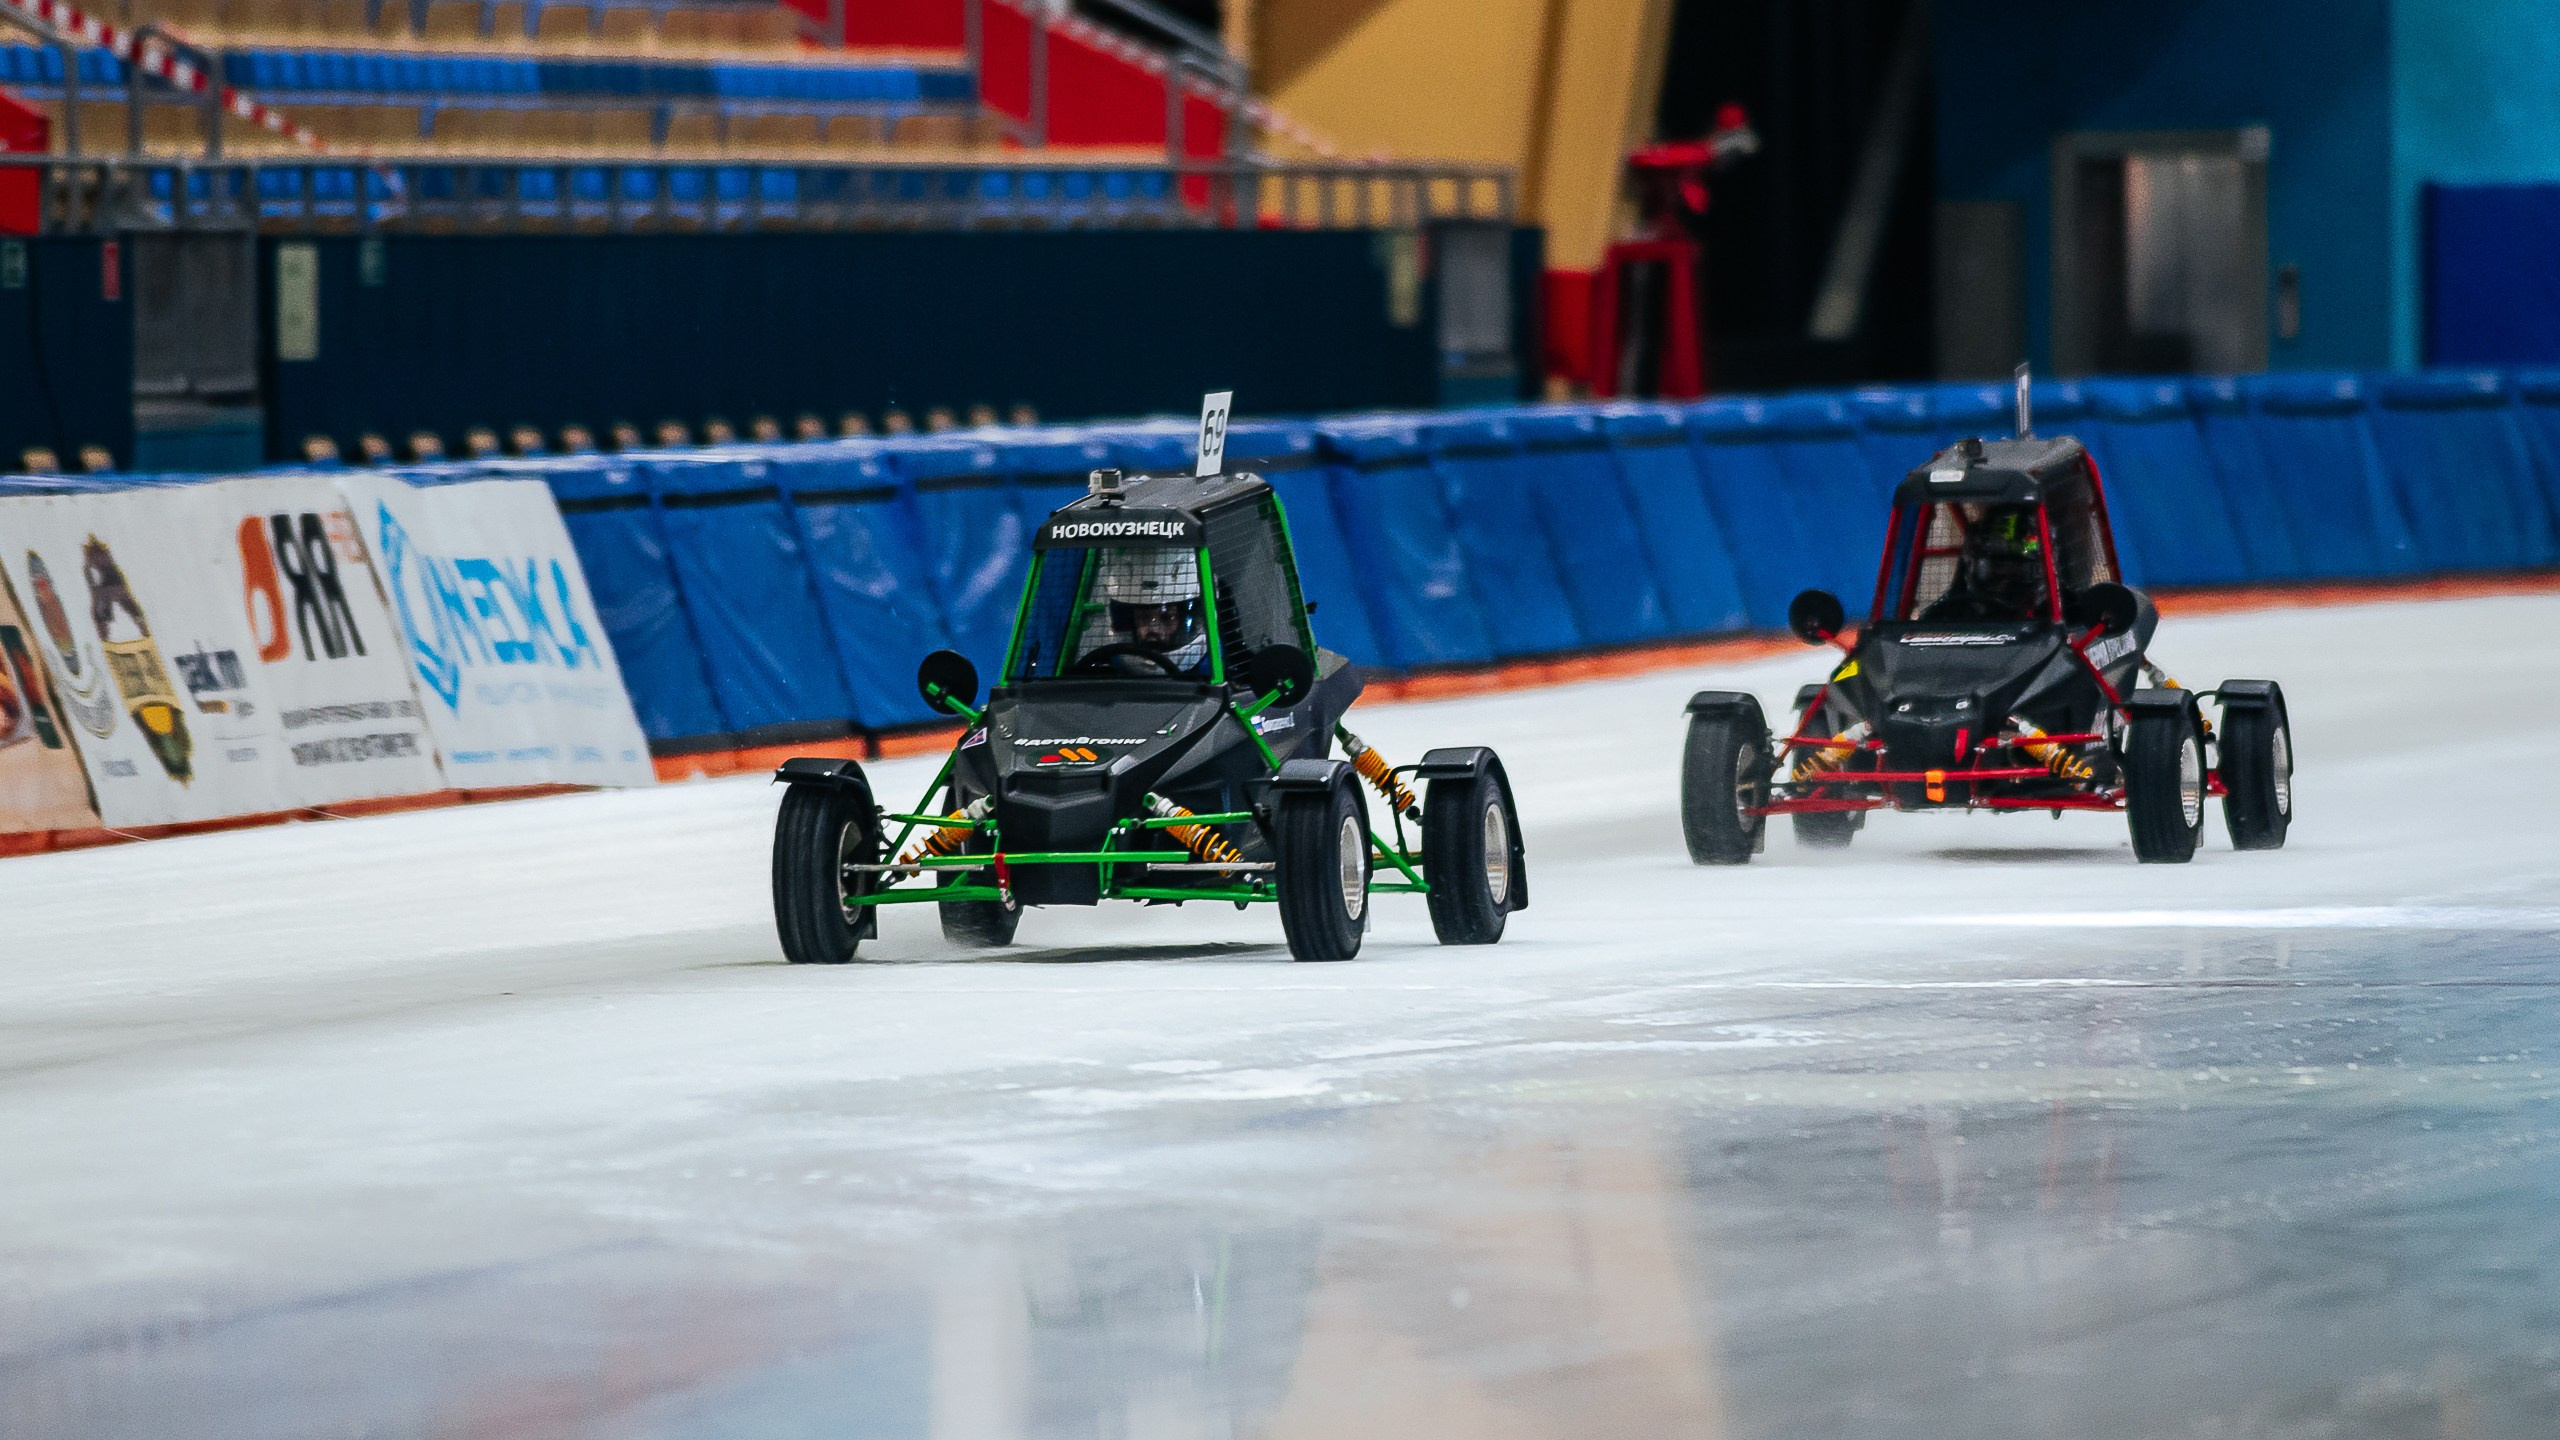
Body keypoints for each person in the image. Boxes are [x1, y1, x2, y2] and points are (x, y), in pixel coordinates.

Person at [1078, 548, 1209, 675]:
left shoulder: (1212, 672)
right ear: (1130, 621)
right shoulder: (1105, 671)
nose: (1153, 628)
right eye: (1143, 617)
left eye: (1167, 617)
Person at [1922, 506, 2051, 622]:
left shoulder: (2056, 623)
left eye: (2015, 572)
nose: (2003, 584)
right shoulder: (1943, 618)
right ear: (1972, 564)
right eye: (1995, 568)